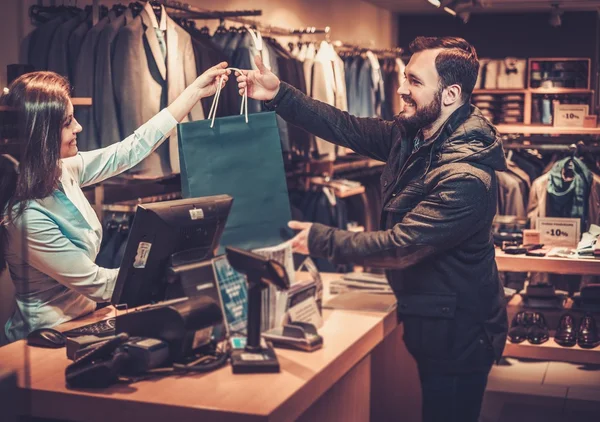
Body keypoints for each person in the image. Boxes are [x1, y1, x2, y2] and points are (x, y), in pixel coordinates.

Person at [236, 37, 508, 422]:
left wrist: (319, 238)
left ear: (450, 95)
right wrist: (279, 94)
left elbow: (401, 246)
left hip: (460, 334)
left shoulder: (466, 177)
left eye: (414, 81)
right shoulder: (415, 137)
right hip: (432, 316)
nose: (401, 89)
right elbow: (346, 127)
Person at [1, 64, 231, 342]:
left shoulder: (61, 171)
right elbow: (96, 284)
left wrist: (194, 92)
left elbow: (130, 150)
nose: (79, 127)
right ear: (42, 135)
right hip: (44, 338)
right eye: (67, 123)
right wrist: (172, 274)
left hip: (84, 321)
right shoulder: (26, 218)